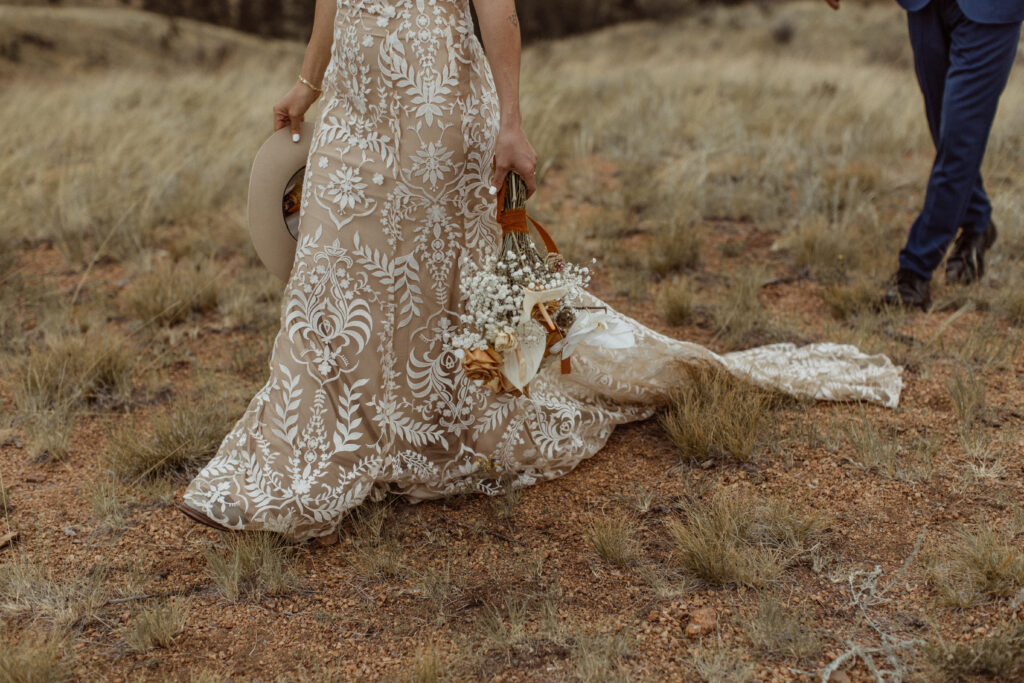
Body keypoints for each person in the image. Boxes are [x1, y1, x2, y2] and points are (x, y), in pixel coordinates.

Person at [178, 0, 903, 540]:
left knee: (439, 288)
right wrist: (308, 83)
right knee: (330, 279)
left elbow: (500, 11)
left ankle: (422, 422)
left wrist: (512, 122)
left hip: (434, 111)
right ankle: (334, 434)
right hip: (356, 111)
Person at [825, 0, 1023, 310]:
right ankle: (977, 219)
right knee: (943, 131)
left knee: (959, 139)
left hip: (990, 10)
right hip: (926, 7)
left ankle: (914, 273)